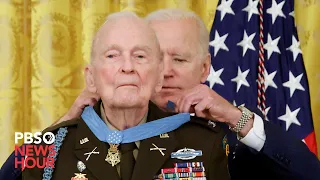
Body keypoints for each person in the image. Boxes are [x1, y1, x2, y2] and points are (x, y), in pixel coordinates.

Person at [1, 8, 320, 180]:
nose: (164, 71)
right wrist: (61, 125)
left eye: (178, 59)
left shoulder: (224, 135)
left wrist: (238, 119)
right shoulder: (86, 128)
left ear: (205, 68)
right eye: (150, 56)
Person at [18, 11, 229, 180]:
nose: (127, 67)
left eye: (140, 56)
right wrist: (58, 130)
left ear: (158, 78)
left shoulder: (205, 142)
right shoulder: (50, 148)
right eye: (112, 55)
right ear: (91, 78)